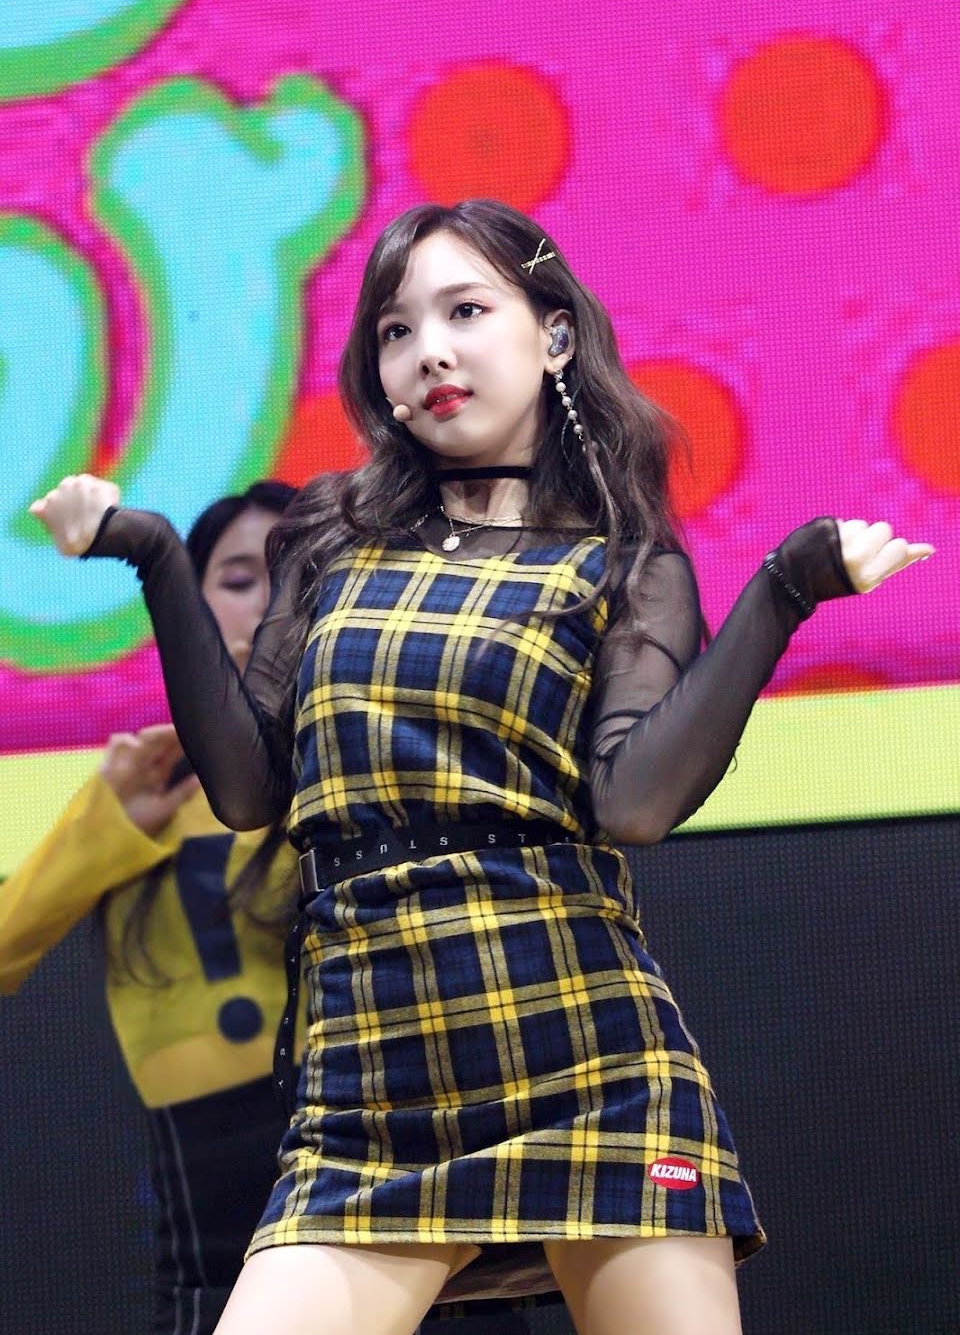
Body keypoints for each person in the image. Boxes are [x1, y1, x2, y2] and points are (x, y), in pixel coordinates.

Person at [30, 199, 933, 1335]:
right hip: (367, 1076)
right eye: (396, 329)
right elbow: (250, 788)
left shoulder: (619, 563)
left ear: (554, 334)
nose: (429, 352)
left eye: (465, 311)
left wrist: (785, 588)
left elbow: (635, 803)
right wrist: (156, 555)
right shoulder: (328, 539)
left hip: (586, 1053)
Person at [1, 481, 299, 1335]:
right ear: (185, 604)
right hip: (213, 1182)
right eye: (238, 579)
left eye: (297, 577)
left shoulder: (379, 755)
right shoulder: (148, 782)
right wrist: (109, 822)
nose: (269, 603)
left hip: (393, 1139)